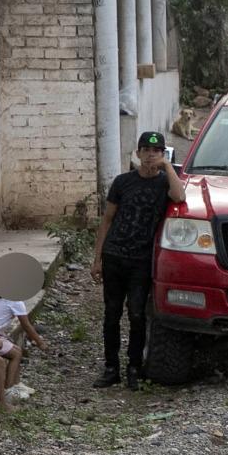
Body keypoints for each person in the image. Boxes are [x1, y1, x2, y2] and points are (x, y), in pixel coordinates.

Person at [90, 131, 185, 391]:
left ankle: (134, 367)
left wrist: (167, 166)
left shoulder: (165, 183)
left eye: (156, 151)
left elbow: (180, 196)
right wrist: (97, 258)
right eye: (146, 150)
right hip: (115, 255)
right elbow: (107, 220)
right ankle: (111, 368)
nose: (150, 155)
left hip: (142, 260)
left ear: (162, 154)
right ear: (138, 153)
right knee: (111, 314)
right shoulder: (123, 182)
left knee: (136, 314)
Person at [0, 295, 45, 400]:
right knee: (16, 354)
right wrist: (40, 343)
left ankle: (16, 384)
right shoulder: (16, 302)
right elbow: (26, 325)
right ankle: (8, 389)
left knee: (17, 349)